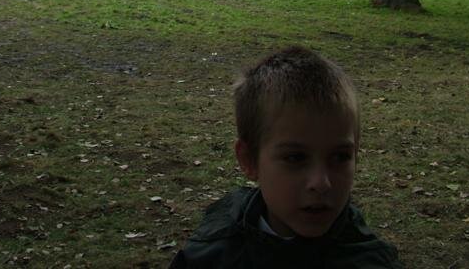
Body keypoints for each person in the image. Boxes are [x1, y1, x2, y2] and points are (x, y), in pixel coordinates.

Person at [169, 46, 402, 268]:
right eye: (296, 158)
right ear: (249, 160)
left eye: (340, 157)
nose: (321, 183)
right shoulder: (212, 252)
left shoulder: (370, 262)